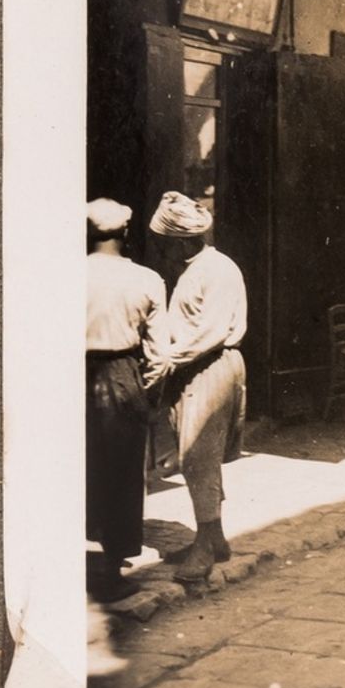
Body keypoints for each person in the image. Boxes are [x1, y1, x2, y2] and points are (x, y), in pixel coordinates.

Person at [145, 191, 248, 585]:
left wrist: (169, 359)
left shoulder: (217, 270)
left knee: (198, 456)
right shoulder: (192, 269)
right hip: (192, 367)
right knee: (194, 456)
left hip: (211, 366)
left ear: (183, 240)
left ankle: (205, 545)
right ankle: (215, 537)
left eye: (164, 243)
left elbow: (211, 330)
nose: (161, 249)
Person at [85, 198, 164, 599]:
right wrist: (144, 389)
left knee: (77, 467)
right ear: (127, 233)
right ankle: (112, 571)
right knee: (121, 472)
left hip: (74, 376)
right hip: (122, 375)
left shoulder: (67, 274)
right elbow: (160, 353)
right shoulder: (147, 280)